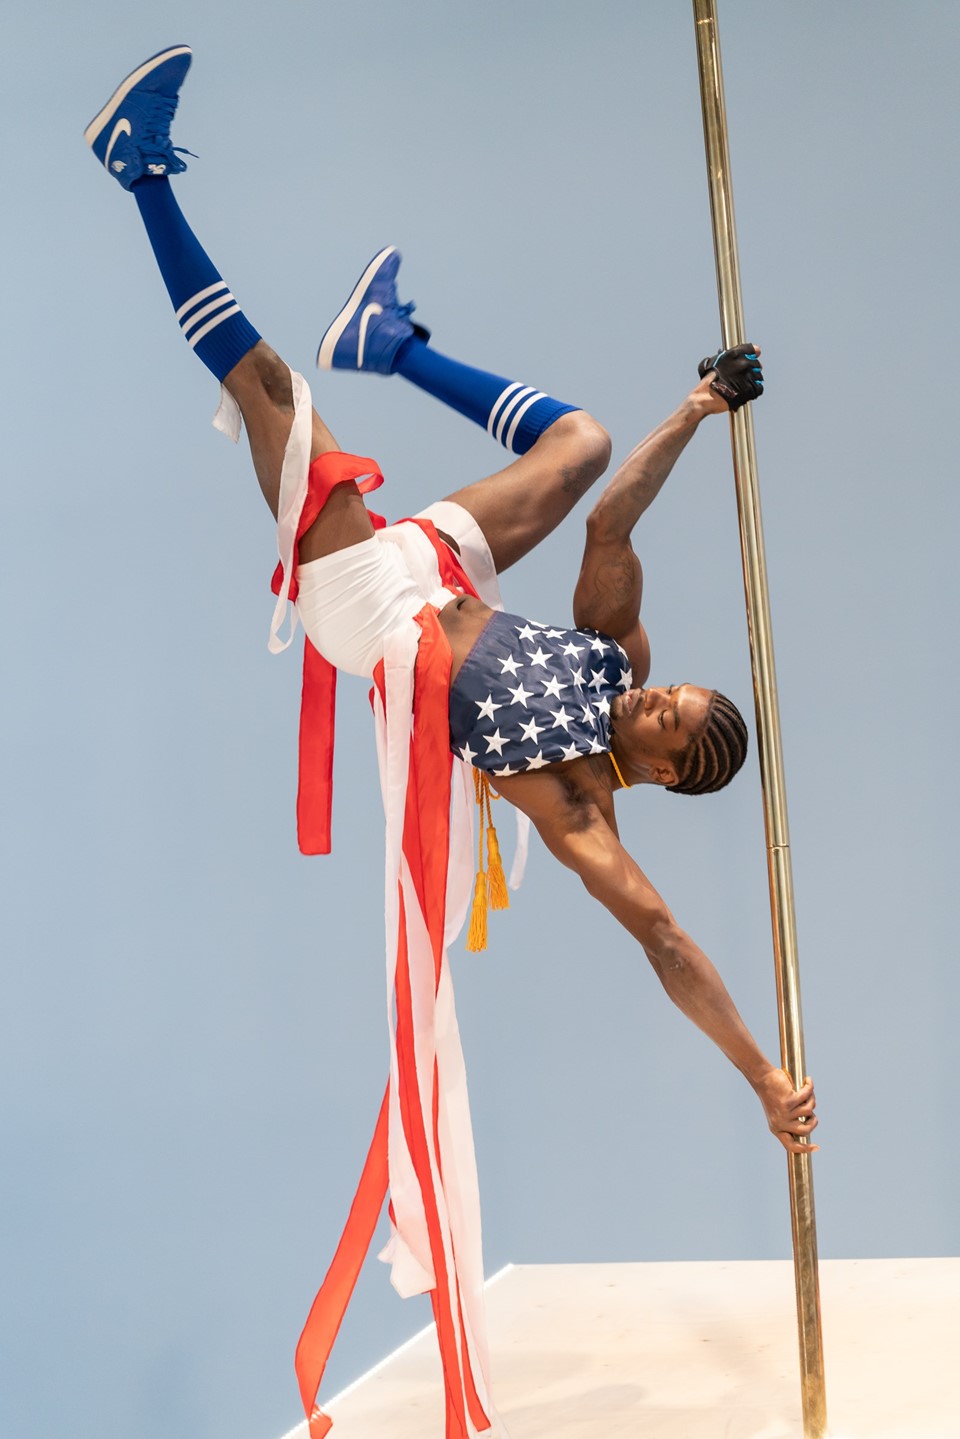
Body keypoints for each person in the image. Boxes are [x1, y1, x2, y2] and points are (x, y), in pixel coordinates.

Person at [85, 44, 818, 1437]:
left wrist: (767, 1077)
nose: (669, 699)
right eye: (684, 694)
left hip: (374, 613)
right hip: (440, 567)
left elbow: (668, 945)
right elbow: (609, 524)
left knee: (278, 404)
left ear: (668, 769)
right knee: (586, 442)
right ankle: (399, 341)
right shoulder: (612, 650)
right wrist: (700, 410)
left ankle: (143, 176)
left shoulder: (572, 801)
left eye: (682, 723)